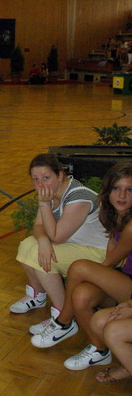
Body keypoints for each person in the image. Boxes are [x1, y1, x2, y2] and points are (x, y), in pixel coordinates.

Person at [30, 163, 132, 370]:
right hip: (123, 279)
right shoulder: (117, 215)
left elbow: (109, 262)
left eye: (129, 190)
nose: (122, 195)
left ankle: (64, 321)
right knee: (81, 295)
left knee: (79, 268)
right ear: (108, 190)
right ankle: (99, 350)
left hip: (129, 286)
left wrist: (95, 275)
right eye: (116, 188)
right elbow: (111, 252)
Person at [10, 154, 108, 324]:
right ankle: (38, 296)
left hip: (99, 253)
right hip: (76, 246)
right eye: (35, 179)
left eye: (46, 177)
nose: (41, 184)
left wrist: (44, 204)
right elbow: (38, 226)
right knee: (27, 245)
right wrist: (43, 241)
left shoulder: (78, 197)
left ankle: (64, 316)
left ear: (60, 175)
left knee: (39, 257)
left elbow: (57, 237)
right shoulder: (50, 193)